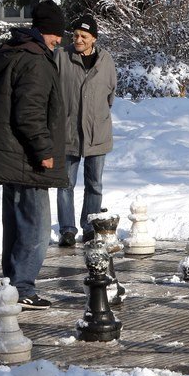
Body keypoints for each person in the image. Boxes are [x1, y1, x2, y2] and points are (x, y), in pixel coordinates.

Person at [0, 0, 67, 310]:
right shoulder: (36, 61)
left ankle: (11, 284)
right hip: (27, 159)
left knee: (14, 224)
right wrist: (43, 149)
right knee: (37, 227)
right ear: (46, 32)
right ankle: (23, 286)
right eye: (57, 35)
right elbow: (29, 112)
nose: (59, 41)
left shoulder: (11, 52)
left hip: (9, 156)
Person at [55, 14, 117, 246]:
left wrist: (96, 115)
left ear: (94, 38)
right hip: (68, 131)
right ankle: (67, 229)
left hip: (97, 132)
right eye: (76, 35)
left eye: (84, 36)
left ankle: (90, 226)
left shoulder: (106, 60)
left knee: (94, 184)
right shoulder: (61, 56)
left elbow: (110, 94)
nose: (78, 39)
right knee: (65, 184)